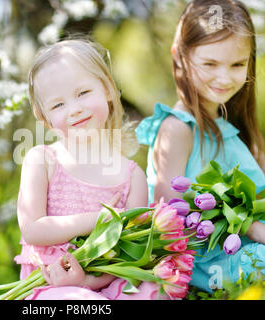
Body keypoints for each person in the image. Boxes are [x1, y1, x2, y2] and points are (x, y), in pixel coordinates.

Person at [135, 0, 265, 293]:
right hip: (211, 256)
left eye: (237, 64)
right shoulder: (178, 128)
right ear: (179, 57)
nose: (224, 78)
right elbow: (169, 209)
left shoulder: (229, 123)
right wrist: (248, 226)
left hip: (249, 236)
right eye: (210, 63)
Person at [14, 38, 169, 300]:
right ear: (45, 118)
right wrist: (101, 219)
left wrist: (88, 281)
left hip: (107, 284)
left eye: (83, 93)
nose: (75, 109)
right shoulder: (41, 161)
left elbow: (130, 252)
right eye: (58, 105)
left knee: (156, 291)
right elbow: (33, 230)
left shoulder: (132, 176)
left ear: (108, 88)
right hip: (51, 286)